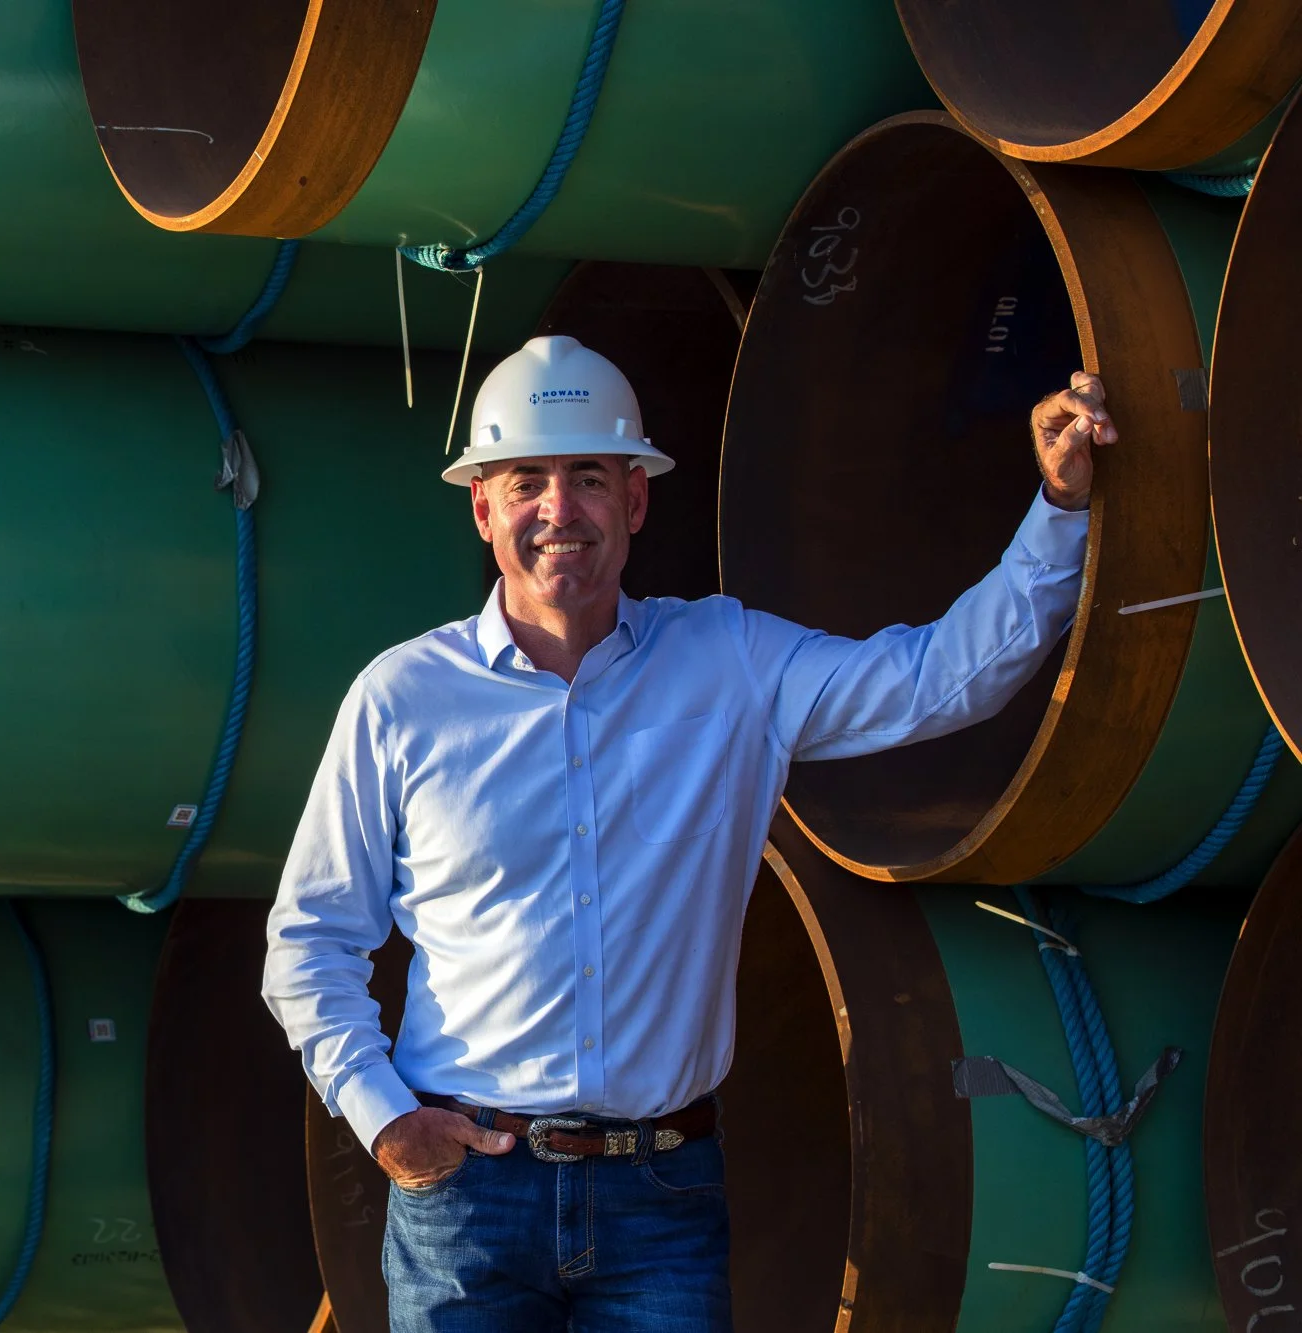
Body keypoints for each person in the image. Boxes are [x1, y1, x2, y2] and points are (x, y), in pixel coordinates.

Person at [262, 335, 1113, 1332]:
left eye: (589, 477)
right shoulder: (401, 700)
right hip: (468, 1204)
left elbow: (938, 681)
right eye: (527, 481)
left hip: (660, 1200)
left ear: (635, 499)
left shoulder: (730, 663)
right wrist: (385, 1119)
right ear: (482, 507)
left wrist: (1060, 507)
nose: (558, 510)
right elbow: (309, 940)